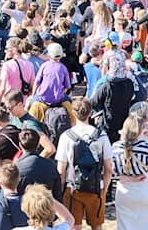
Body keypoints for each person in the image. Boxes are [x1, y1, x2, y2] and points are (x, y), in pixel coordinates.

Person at [56, 97, 112, 230]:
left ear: (73, 113)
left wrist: (61, 190)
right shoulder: (101, 136)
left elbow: (61, 169)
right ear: (90, 112)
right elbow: (109, 168)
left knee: (74, 225)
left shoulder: (66, 136)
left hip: (72, 187)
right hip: (96, 188)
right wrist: (104, 188)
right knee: (97, 225)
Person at [112, 114, 148, 230]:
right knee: (146, 225)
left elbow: (109, 173)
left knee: (124, 226)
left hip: (124, 191)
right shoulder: (145, 147)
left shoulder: (116, 148)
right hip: (143, 191)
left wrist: (127, 178)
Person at [16, 128, 63, 201]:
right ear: (38, 144)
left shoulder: (17, 167)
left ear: (20, 145)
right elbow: (57, 195)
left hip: (24, 208)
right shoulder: (51, 165)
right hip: (46, 208)